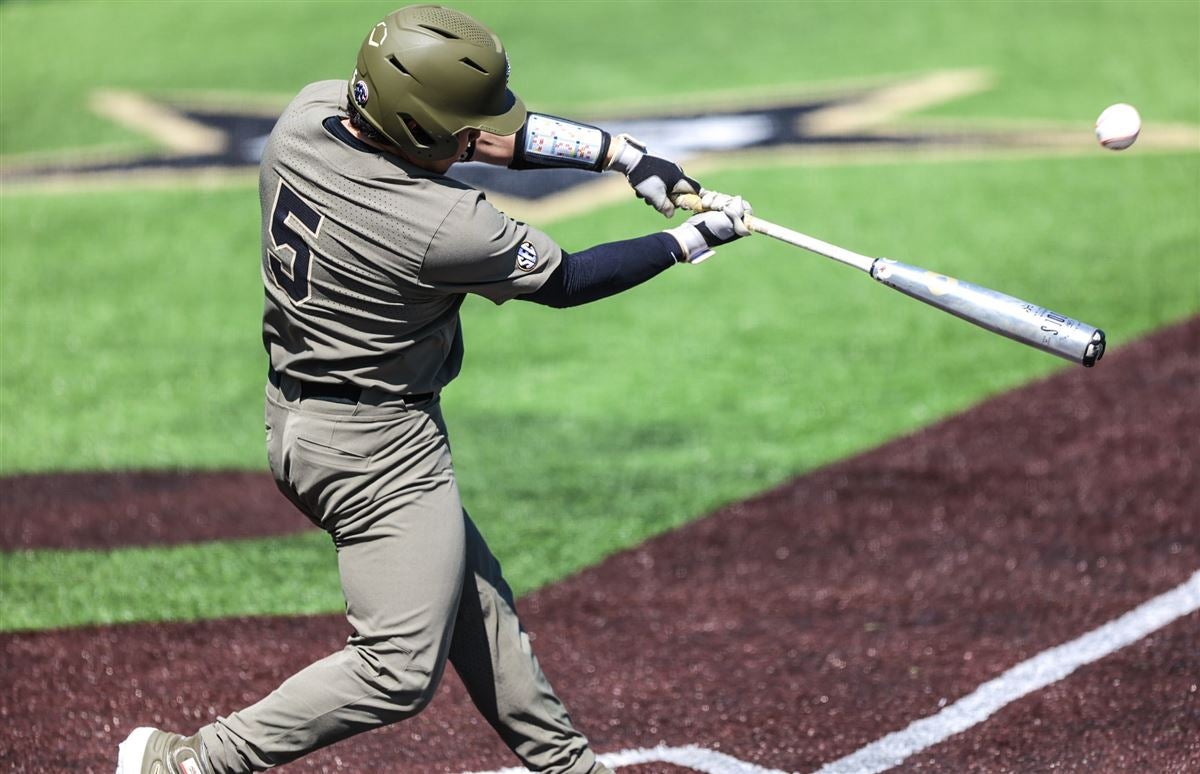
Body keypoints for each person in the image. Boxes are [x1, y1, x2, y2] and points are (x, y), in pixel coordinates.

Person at [116, 5, 751, 773]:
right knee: (396, 670)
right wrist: (690, 239)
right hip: (374, 450)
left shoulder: (309, 114)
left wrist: (625, 155)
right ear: (420, 131)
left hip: (306, 417)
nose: (476, 141)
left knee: (477, 607)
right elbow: (570, 279)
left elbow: (483, 133)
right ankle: (192, 762)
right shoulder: (444, 226)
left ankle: (568, 767)